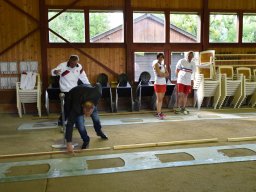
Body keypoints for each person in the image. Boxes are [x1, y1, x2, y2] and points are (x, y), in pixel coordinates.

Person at [65, 83, 107, 153]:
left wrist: (92, 86)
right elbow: (70, 124)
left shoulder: (97, 93)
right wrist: (69, 143)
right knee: (80, 126)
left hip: (87, 89)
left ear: (93, 108)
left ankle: (99, 131)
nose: (87, 116)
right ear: (82, 107)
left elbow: (99, 84)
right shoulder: (76, 108)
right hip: (73, 95)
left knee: (96, 119)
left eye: (89, 113)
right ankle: (86, 140)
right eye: (85, 113)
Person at [51, 55, 90, 125]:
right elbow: (53, 71)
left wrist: (89, 85)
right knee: (68, 106)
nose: (73, 65)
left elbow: (83, 77)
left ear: (77, 62)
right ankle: (63, 120)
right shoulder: (62, 65)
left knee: (76, 105)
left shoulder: (79, 66)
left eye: (75, 64)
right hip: (65, 89)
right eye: (72, 63)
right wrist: (55, 72)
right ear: (69, 61)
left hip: (75, 89)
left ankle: (75, 120)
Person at [152, 53, 169, 120]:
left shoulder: (163, 65)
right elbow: (159, 74)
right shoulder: (156, 64)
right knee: (159, 99)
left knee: (161, 99)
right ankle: (158, 113)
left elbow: (168, 74)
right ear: (157, 58)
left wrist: (163, 74)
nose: (161, 58)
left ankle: (158, 112)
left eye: (162, 57)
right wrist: (163, 74)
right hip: (158, 83)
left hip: (163, 83)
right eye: (159, 57)